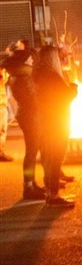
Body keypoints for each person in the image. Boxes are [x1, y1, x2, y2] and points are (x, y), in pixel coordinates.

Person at [32, 46, 77, 208]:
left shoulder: (37, 75)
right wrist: (73, 89)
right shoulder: (52, 77)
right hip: (57, 122)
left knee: (49, 157)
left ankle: (51, 189)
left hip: (45, 121)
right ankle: (53, 194)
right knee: (56, 157)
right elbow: (63, 98)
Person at [3, 42, 45, 198]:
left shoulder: (19, 76)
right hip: (30, 116)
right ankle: (28, 187)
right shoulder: (23, 78)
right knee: (31, 151)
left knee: (32, 151)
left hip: (27, 115)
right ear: (25, 62)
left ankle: (31, 183)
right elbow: (32, 99)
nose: (33, 62)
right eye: (30, 60)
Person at [0, 67, 12, 162]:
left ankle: (0, 152)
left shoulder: (3, 71)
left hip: (3, 104)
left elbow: (6, 80)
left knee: (3, 130)